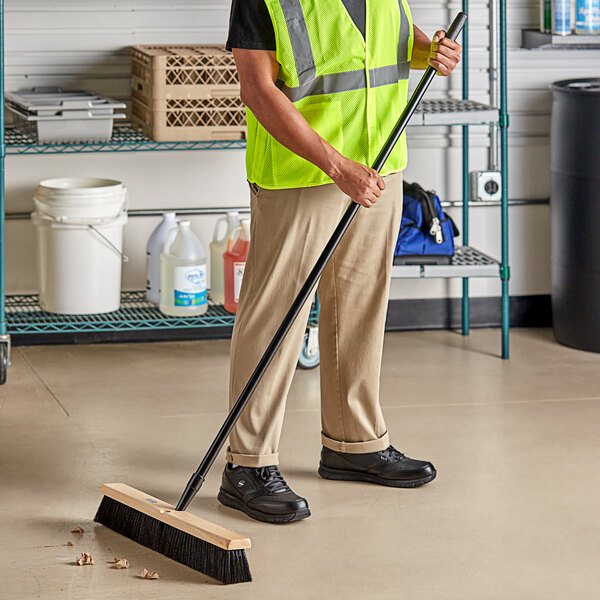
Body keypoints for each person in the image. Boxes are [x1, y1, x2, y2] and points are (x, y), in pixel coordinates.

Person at [217, 0, 462, 524]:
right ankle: (248, 465)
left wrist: (431, 51)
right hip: (304, 175)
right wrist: (335, 164)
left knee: (359, 308)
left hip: (379, 168)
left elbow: (389, 44)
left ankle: (355, 444)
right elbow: (258, 90)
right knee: (276, 319)